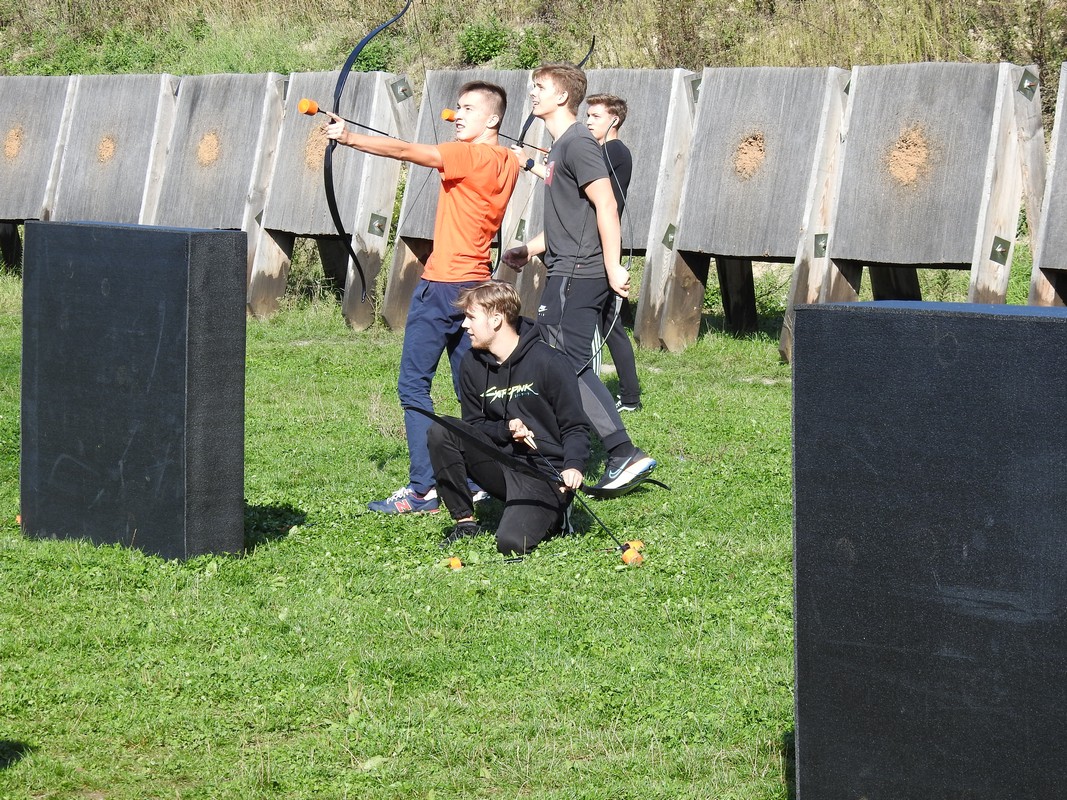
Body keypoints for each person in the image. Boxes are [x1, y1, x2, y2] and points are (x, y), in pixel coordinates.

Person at [324, 81, 521, 514]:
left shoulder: (466, 156)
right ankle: (479, 478)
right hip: (478, 288)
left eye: (468, 109)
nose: (458, 115)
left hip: (443, 287)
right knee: (473, 388)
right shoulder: (509, 160)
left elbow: (404, 151)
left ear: (493, 118)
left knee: (414, 385)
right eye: (457, 107)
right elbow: (520, 157)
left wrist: (348, 136)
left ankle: (425, 488)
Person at [502, 64, 654, 495]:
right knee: (560, 360)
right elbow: (572, 218)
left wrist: (612, 266)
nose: (533, 93)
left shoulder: (578, 143)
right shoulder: (562, 147)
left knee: (566, 364)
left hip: (579, 273)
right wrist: (530, 249)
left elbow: (606, 205)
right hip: (565, 269)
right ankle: (569, 448)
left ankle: (621, 452)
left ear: (563, 96)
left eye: (541, 87)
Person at [427, 281, 589, 556]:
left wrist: (573, 467)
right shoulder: (471, 363)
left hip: (544, 473)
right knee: (442, 430)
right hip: (500, 464)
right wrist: (506, 430)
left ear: (496, 319)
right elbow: (473, 426)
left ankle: (559, 511)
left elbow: (575, 426)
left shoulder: (550, 362)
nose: (464, 325)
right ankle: (465, 523)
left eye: (471, 317)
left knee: (511, 543)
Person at [519, 93, 642, 412]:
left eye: (596, 116)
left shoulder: (613, 151)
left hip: (593, 251)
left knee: (602, 330)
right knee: (611, 326)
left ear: (614, 120)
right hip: (594, 247)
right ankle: (628, 397)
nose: (588, 121)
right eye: (587, 116)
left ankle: (608, 398)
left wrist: (533, 164)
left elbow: (589, 192)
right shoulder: (598, 151)